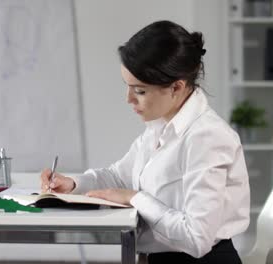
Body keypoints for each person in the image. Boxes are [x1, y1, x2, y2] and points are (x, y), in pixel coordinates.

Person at [40, 20, 249, 264]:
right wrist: (74, 183)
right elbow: (118, 177)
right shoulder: (160, 126)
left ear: (176, 87)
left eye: (139, 91)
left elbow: (197, 238)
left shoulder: (207, 138)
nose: (128, 99)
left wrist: (134, 198)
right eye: (128, 87)